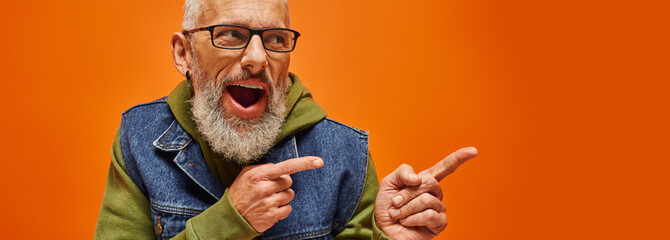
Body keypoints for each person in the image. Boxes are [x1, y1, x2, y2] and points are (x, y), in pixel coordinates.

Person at [94, 0, 478, 239]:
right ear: (184, 54)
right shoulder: (140, 139)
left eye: (276, 39)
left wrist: (386, 237)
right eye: (230, 34)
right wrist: (226, 223)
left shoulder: (345, 155)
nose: (258, 58)